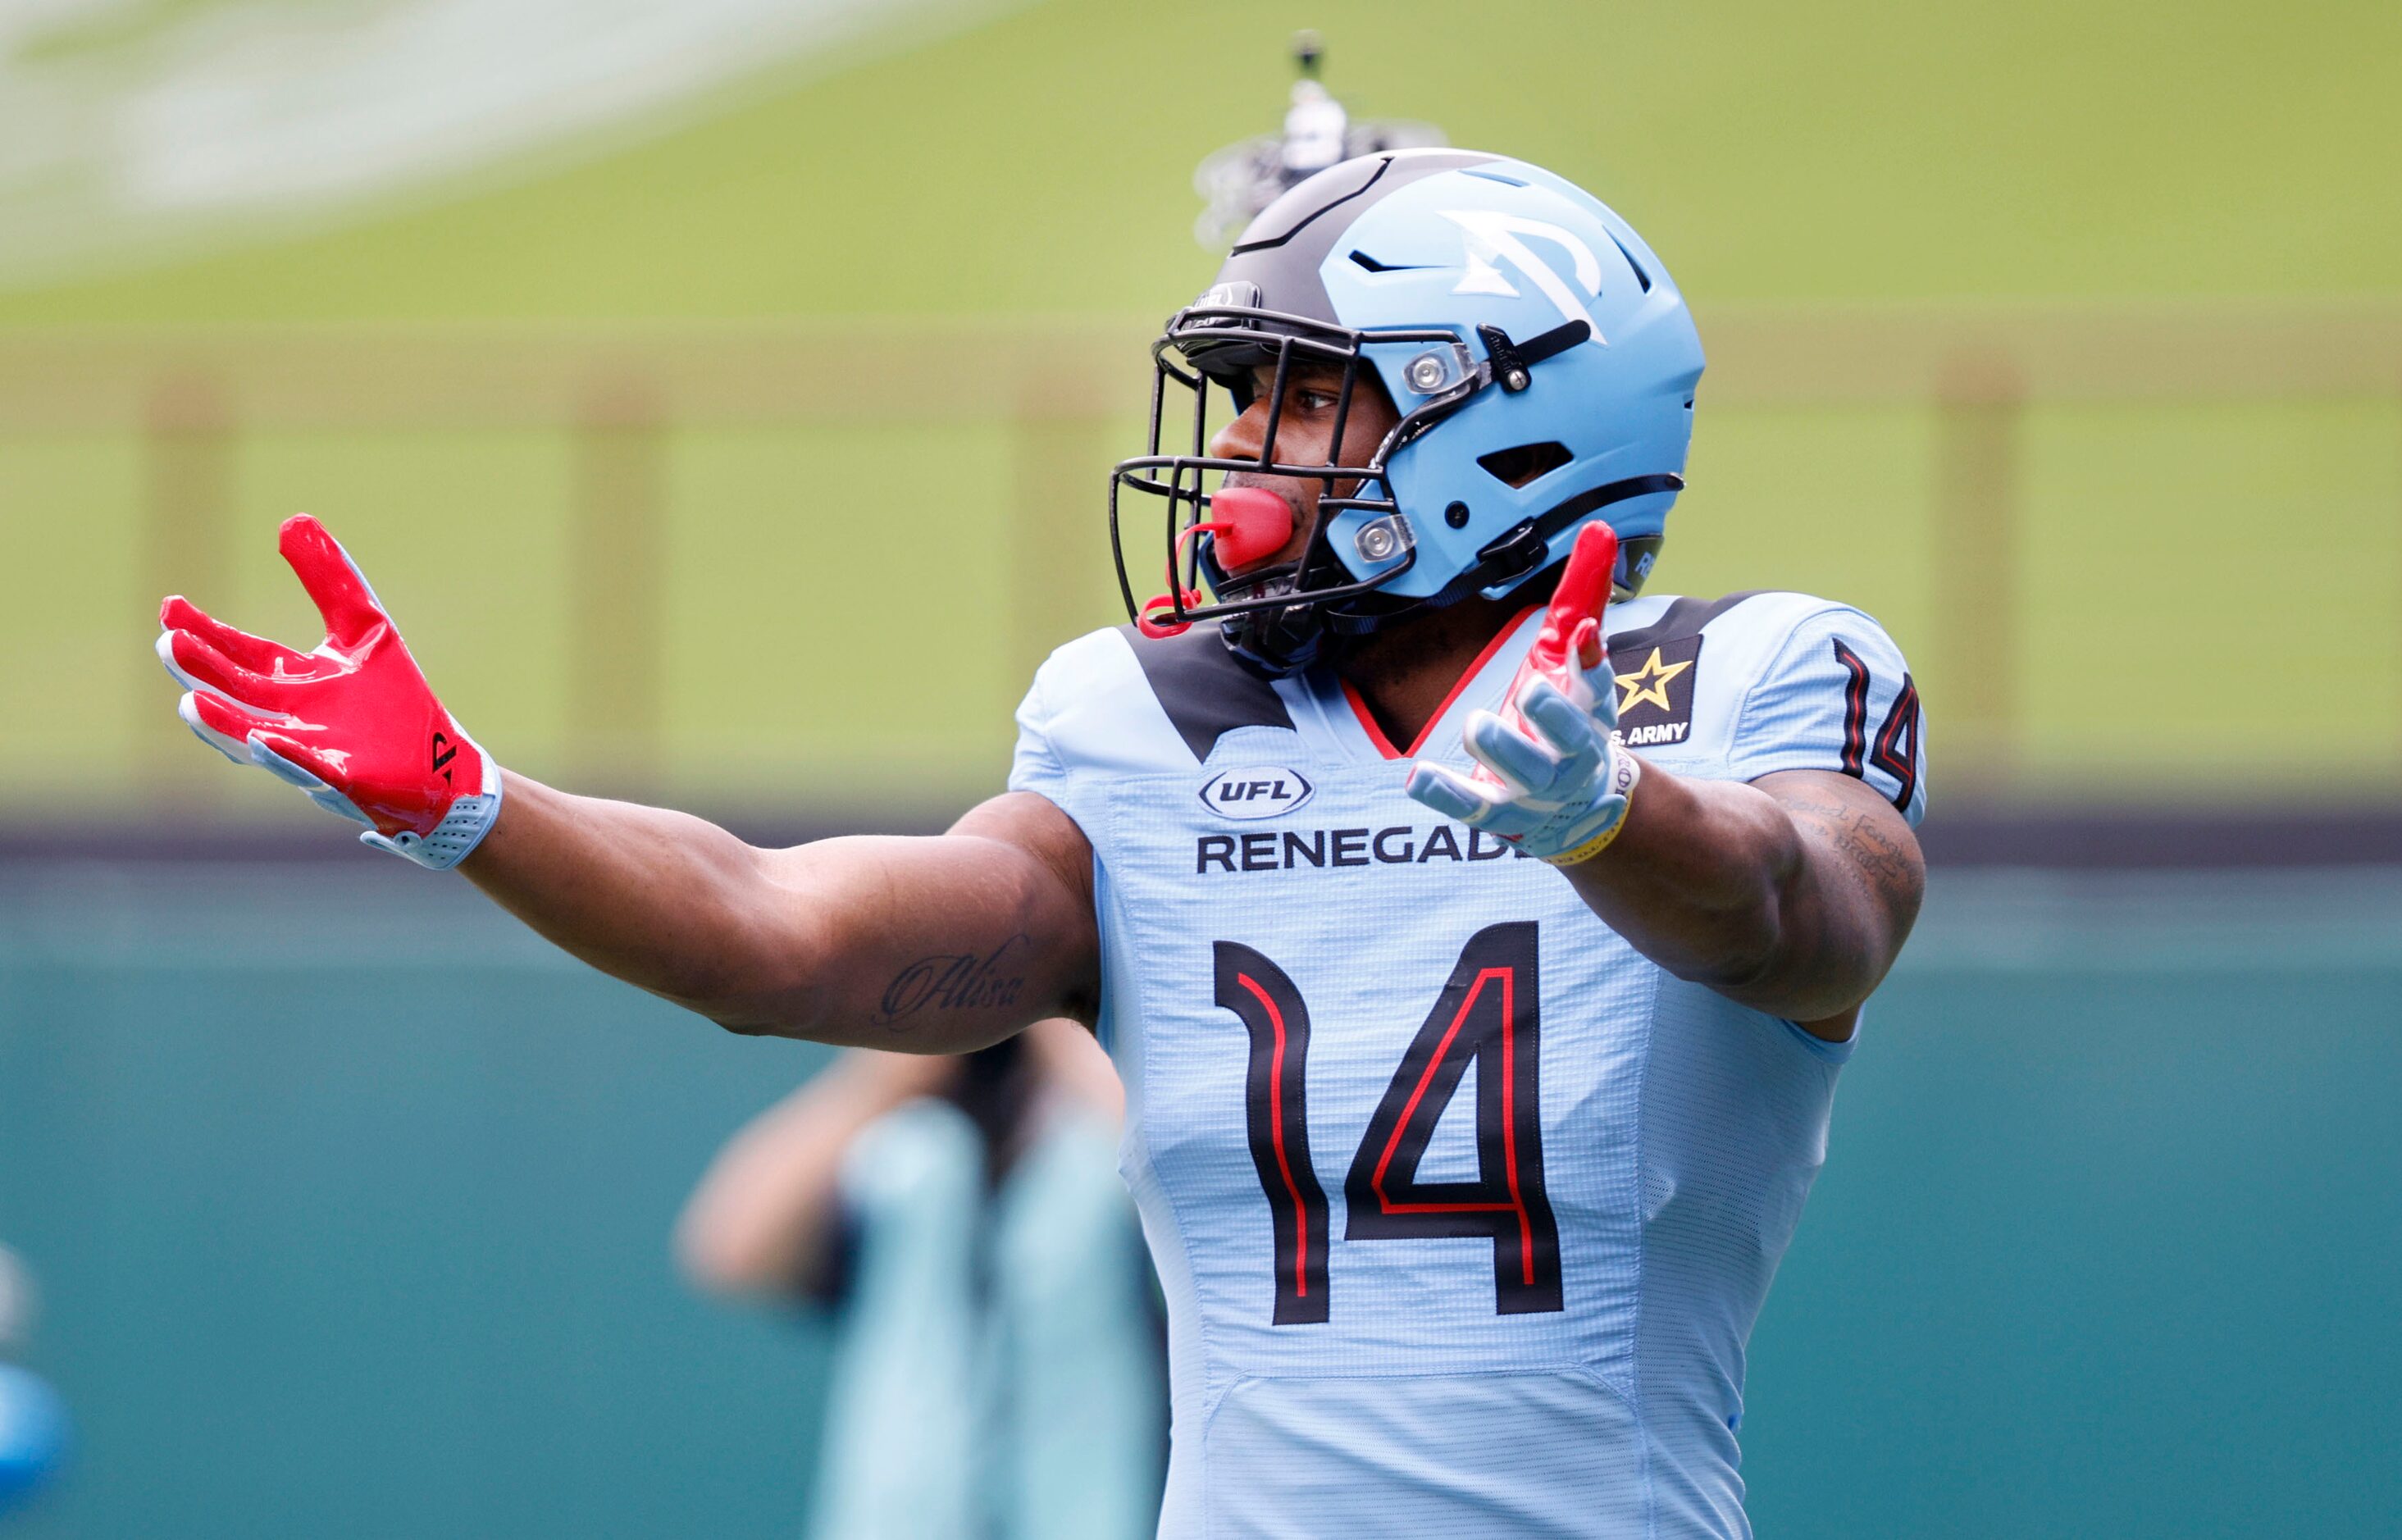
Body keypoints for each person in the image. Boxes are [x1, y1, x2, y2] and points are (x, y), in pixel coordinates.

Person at [154, 148, 1926, 1538]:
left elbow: (1813, 920)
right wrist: (478, 804)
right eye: (1243, 394)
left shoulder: (1752, 675)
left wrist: (1615, 814)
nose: (1236, 449)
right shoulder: (1147, 721)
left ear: (1499, 419)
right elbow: (783, 937)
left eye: (1302, 397)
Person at [676, 1023, 1164, 1540]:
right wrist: (892, 1066)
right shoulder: (898, 1153)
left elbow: (1201, 1209)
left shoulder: (1097, 1140)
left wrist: (1066, 1029)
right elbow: (728, 1249)